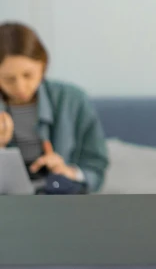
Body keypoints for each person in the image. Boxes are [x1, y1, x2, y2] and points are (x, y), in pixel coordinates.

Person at [0, 22, 108, 193]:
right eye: (8, 79)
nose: (20, 87)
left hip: (58, 193)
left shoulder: (73, 100)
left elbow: (95, 166)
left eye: (28, 75)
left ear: (42, 66)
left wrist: (68, 172)